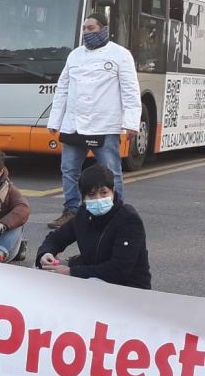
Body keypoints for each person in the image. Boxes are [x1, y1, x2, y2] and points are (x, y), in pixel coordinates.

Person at [47, 12, 141, 229]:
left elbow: (130, 90)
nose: (87, 33)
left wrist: (131, 122)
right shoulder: (75, 56)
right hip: (74, 124)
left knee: (111, 171)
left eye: (91, 28)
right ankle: (71, 210)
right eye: (85, 29)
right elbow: (62, 88)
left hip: (104, 124)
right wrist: (55, 121)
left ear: (104, 29)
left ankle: (116, 213)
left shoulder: (120, 55)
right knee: (69, 169)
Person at [36, 164, 151, 288]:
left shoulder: (128, 219)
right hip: (93, 275)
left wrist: (71, 272)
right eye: (91, 194)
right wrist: (46, 253)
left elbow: (119, 270)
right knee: (44, 270)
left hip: (128, 287)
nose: (98, 199)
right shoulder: (83, 214)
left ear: (112, 191)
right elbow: (57, 238)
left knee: (74, 281)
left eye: (103, 193)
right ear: (84, 198)